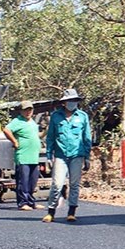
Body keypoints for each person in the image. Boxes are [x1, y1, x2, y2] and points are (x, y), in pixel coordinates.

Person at [42, 88, 91, 223]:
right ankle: (51, 212)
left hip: (77, 154)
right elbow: (50, 137)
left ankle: (71, 212)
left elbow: (87, 137)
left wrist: (87, 157)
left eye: (74, 100)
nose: (72, 103)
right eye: (70, 100)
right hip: (60, 155)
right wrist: (48, 156)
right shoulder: (56, 116)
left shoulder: (82, 116)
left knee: (74, 184)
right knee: (57, 184)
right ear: (64, 102)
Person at [2, 100, 40, 211]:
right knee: (23, 181)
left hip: (34, 156)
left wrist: (46, 131)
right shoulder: (17, 121)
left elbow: (36, 136)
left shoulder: (32, 122)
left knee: (32, 182)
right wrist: (14, 141)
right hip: (23, 156)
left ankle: (31, 202)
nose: (28, 112)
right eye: (25, 110)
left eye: (30, 110)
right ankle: (22, 203)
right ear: (21, 111)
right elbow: (6, 130)